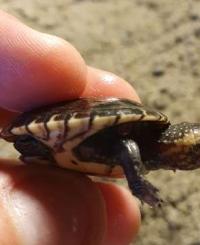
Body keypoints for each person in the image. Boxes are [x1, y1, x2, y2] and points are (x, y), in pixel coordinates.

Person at [0, 10, 140, 245]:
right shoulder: (137, 140)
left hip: (53, 147)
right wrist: (137, 182)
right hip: (48, 135)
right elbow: (126, 145)